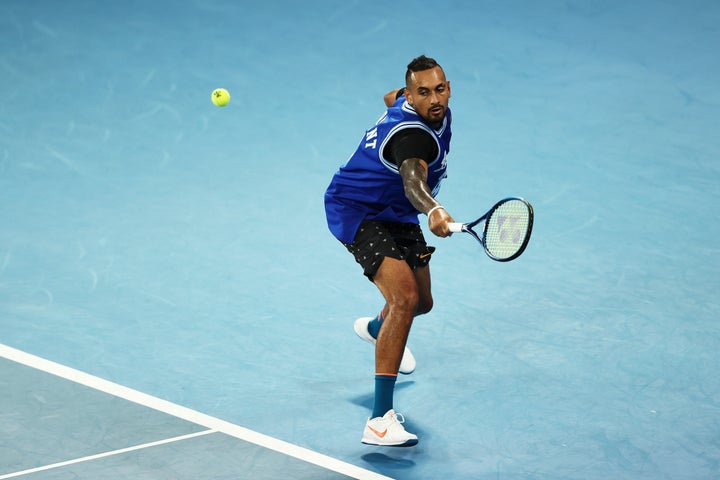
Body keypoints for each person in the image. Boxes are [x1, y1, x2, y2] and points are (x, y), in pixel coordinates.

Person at [324, 55, 455, 447]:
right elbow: (414, 181)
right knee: (404, 298)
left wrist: (400, 98)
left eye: (440, 89)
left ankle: (379, 331)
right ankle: (379, 420)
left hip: (394, 211)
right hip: (357, 210)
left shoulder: (414, 101)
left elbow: (389, 95)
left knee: (422, 303)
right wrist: (433, 208)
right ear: (412, 99)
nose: (434, 99)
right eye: (423, 93)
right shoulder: (411, 138)